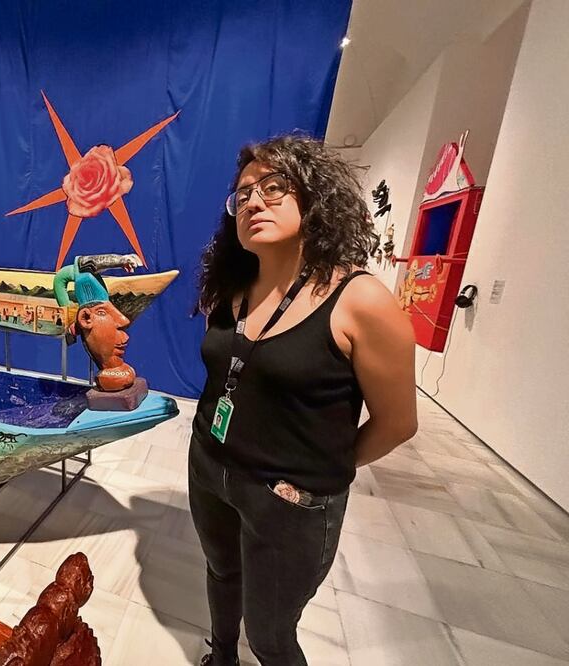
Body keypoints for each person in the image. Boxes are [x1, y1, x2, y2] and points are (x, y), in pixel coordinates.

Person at [191, 136, 417, 666]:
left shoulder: (361, 301)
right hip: (209, 468)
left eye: (273, 186)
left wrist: (317, 471)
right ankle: (220, 658)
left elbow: (397, 423)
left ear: (314, 197)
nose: (254, 201)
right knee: (221, 573)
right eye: (243, 194)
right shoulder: (231, 289)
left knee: (270, 636)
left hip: (287, 499)